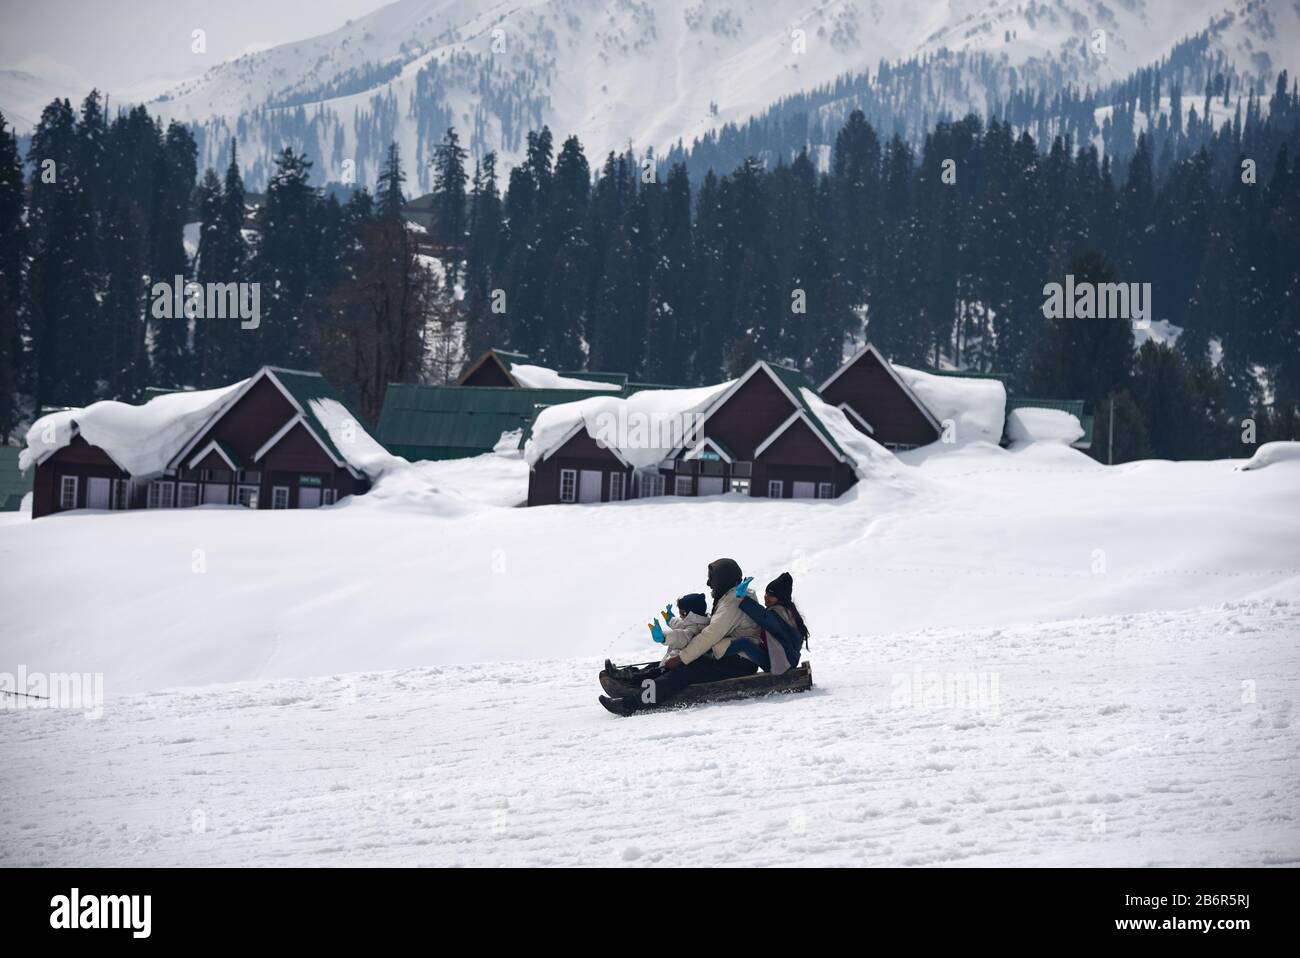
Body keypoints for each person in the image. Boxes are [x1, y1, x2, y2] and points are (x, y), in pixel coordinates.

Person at [601, 558, 762, 711]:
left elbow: (710, 635)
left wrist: (682, 657)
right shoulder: (731, 596)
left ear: (723, 580)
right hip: (730, 655)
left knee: (682, 671)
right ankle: (631, 680)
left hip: (739, 662)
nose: (708, 583)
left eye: (712, 579)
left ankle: (632, 704)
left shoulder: (733, 602)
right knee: (670, 665)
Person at [731, 572, 809, 675]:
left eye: (771, 595)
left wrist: (743, 597)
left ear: (780, 597)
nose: (766, 597)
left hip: (781, 663)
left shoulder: (779, 613)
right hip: (785, 660)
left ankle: (713, 656)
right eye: (766, 593)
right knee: (748, 642)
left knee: (743, 644)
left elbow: (763, 617)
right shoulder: (787, 610)